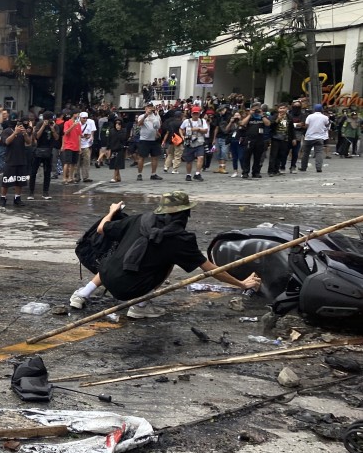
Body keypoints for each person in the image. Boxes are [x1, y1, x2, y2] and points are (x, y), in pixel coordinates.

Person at [68, 192, 261, 318]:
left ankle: (83, 293)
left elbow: (102, 228)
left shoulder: (140, 219)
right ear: (185, 214)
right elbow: (210, 270)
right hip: (131, 290)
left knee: (121, 252)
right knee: (169, 261)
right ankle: (140, 306)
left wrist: (111, 212)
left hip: (108, 276)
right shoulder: (181, 239)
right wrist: (242, 283)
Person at [0, 116, 31, 209]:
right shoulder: (6, 131)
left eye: (18, 121)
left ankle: (17, 198)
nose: (17, 123)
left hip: (21, 159)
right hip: (10, 160)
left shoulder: (22, 130)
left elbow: (28, 142)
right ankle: (3, 198)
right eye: (15, 120)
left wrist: (25, 134)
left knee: (19, 181)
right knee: (6, 181)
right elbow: (6, 142)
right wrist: (15, 133)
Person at [179, 106, 209, 182]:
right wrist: (182, 136)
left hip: (199, 142)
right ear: (191, 114)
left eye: (197, 114)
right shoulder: (186, 121)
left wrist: (198, 129)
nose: (195, 115)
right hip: (189, 142)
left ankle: (197, 173)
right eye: (194, 113)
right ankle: (188, 174)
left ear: (199, 114)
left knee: (201, 157)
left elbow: (206, 131)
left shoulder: (202, 121)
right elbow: (181, 128)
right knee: (189, 160)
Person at [134, 104, 162, 181]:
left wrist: (157, 114)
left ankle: (153, 174)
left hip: (154, 139)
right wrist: (146, 115)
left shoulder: (155, 116)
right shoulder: (142, 116)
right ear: (146, 108)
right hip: (144, 139)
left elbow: (158, 125)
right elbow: (139, 124)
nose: (150, 109)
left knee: (155, 157)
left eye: (151, 108)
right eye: (149, 108)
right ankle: (139, 174)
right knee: (142, 157)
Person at [300, 104, 330, 173]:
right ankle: (318, 168)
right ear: (321, 109)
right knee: (319, 153)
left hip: (309, 137)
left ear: (314, 109)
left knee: (306, 153)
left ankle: (303, 167)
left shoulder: (310, 116)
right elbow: (327, 124)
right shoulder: (325, 117)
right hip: (320, 137)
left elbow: (306, 125)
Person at [60, 110, 82, 184]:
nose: (78, 116)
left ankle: (70, 177)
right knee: (67, 162)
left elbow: (79, 136)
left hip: (75, 146)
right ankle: (64, 178)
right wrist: (72, 126)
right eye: (77, 114)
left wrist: (79, 147)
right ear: (74, 114)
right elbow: (65, 132)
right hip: (68, 145)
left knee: (73, 163)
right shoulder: (67, 123)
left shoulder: (78, 124)